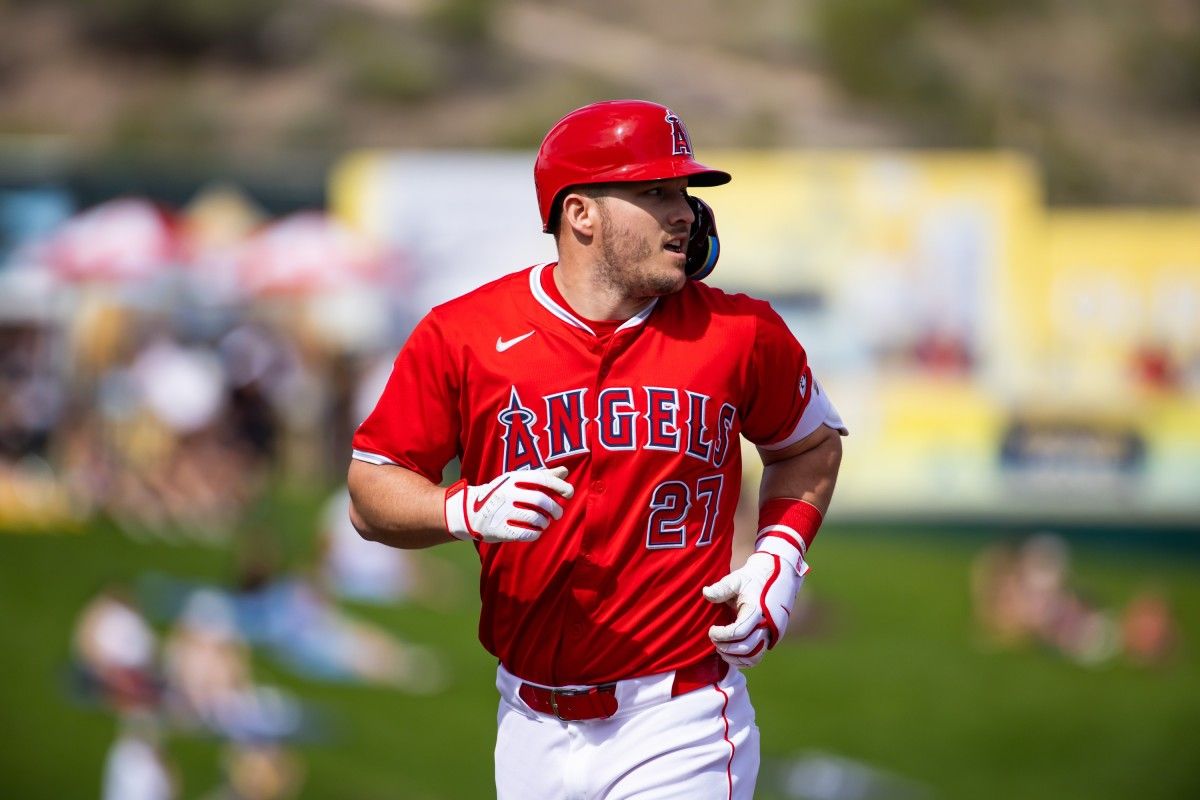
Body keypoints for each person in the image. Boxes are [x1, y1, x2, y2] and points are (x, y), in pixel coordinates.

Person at [347, 99, 847, 799]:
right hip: (526, 723)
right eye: (655, 193)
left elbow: (809, 449)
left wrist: (779, 556)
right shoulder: (462, 334)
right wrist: (462, 508)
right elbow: (372, 492)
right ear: (580, 213)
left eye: (684, 194)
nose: (685, 213)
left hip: (680, 715)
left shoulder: (742, 332)